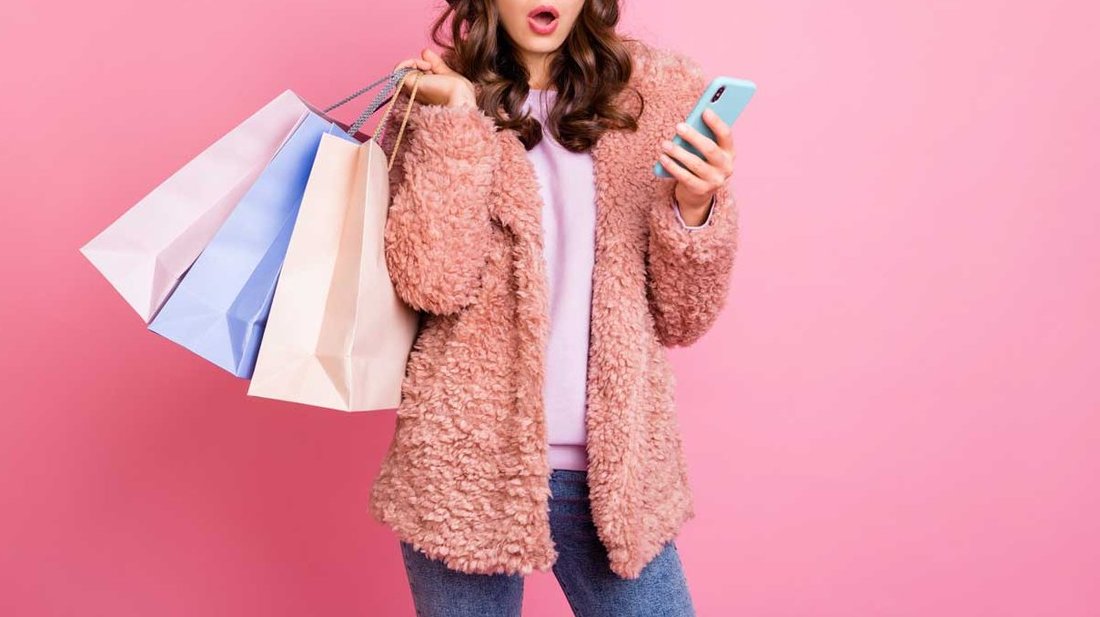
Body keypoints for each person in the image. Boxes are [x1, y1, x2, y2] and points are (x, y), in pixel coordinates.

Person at [369, 1, 740, 615]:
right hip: (462, 469)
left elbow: (683, 316)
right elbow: (431, 283)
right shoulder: (434, 100)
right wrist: (458, 122)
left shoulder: (659, 97)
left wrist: (695, 206)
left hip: (614, 476)